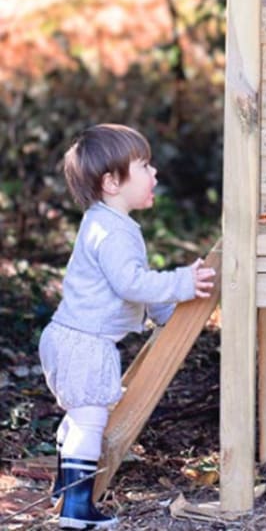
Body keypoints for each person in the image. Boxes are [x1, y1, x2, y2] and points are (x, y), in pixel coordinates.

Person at [39, 124, 216, 529]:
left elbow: (131, 283)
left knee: (78, 419)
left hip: (68, 337)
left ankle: (66, 492)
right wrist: (181, 284)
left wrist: (165, 314)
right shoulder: (112, 230)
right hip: (84, 344)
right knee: (89, 420)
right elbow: (130, 283)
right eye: (144, 166)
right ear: (112, 182)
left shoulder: (106, 223)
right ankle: (76, 510)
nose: (154, 174)